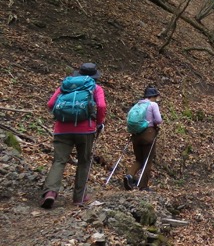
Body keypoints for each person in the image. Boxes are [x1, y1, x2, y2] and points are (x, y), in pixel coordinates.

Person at [42, 62, 107, 208]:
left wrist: (62, 115)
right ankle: (79, 197)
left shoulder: (66, 85)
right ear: (94, 76)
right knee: (84, 161)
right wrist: (98, 123)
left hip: (62, 129)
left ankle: (50, 192)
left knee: (59, 161)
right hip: (86, 130)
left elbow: (51, 104)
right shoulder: (96, 88)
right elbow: (102, 106)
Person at [123, 86, 163, 191]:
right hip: (148, 134)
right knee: (147, 161)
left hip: (135, 135)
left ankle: (129, 175)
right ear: (153, 96)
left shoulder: (138, 104)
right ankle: (143, 186)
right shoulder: (153, 105)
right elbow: (158, 120)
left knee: (139, 159)